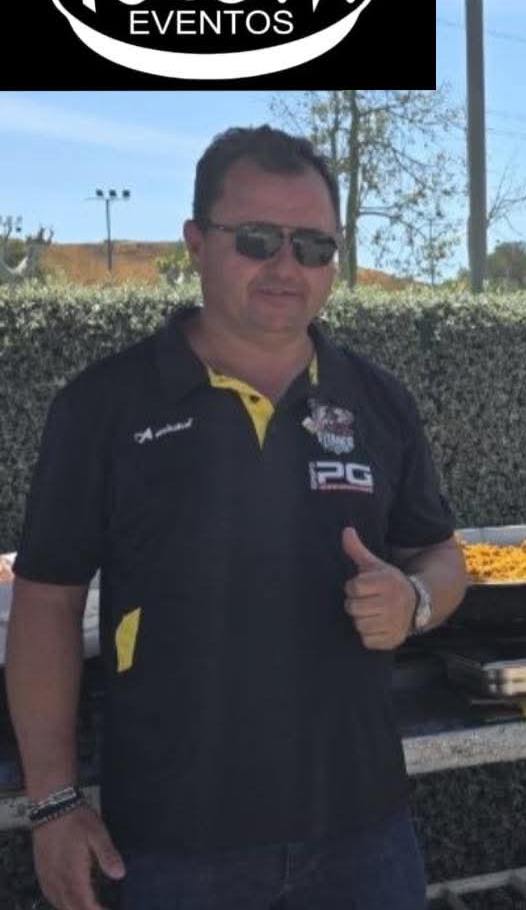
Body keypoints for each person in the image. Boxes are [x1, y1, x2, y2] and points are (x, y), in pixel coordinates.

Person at [8, 125, 468, 910]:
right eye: (257, 239)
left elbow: (441, 554)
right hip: (171, 846)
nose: (287, 267)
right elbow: (46, 601)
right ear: (196, 242)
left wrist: (415, 599)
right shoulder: (104, 405)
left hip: (363, 832)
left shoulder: (378, 401)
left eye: (313, 247)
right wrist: (53, 803)